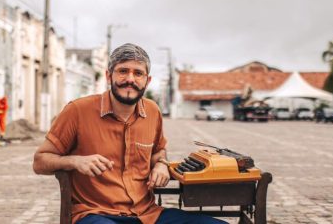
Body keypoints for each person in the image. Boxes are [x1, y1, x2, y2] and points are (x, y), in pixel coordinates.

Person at [33, 43, 227, 224]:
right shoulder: (77, 110)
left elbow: (159, 150)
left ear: (147, 80)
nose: (130, 79)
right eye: (123, 71)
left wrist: (161, 164)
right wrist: (75, 161)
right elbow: (40, 161)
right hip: (95, 214)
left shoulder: (152, 111)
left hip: (147, 214)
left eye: (138, 73)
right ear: (109, 76)